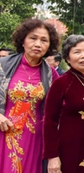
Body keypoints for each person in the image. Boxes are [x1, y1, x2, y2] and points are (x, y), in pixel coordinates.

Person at [0, 18, 60, 173]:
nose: (38, 44)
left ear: (49, 46)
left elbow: (62, 105)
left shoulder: (51, 74)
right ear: (23, 41)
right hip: (4, 132)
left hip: (34, 139)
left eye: (44, 40)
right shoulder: (3, 66)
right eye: (33, 38)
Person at [43, 35, 84, 173]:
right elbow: (50, 121)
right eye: (77, 52)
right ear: (67, 58)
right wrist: (52, 156)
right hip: (70, 146)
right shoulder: (61, 83)